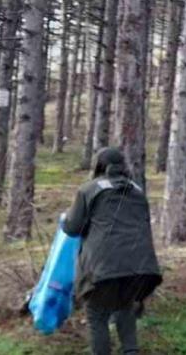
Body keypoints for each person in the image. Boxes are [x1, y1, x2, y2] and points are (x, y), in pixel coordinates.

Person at [64, 147, 163, 355]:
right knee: (125, 307)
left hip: (104, 266)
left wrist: (64, 219)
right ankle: (131, 351)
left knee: (97, 315)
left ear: (98, 166)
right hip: (141, 266)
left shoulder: (89, 190)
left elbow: (73, 228)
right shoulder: (137, 190)